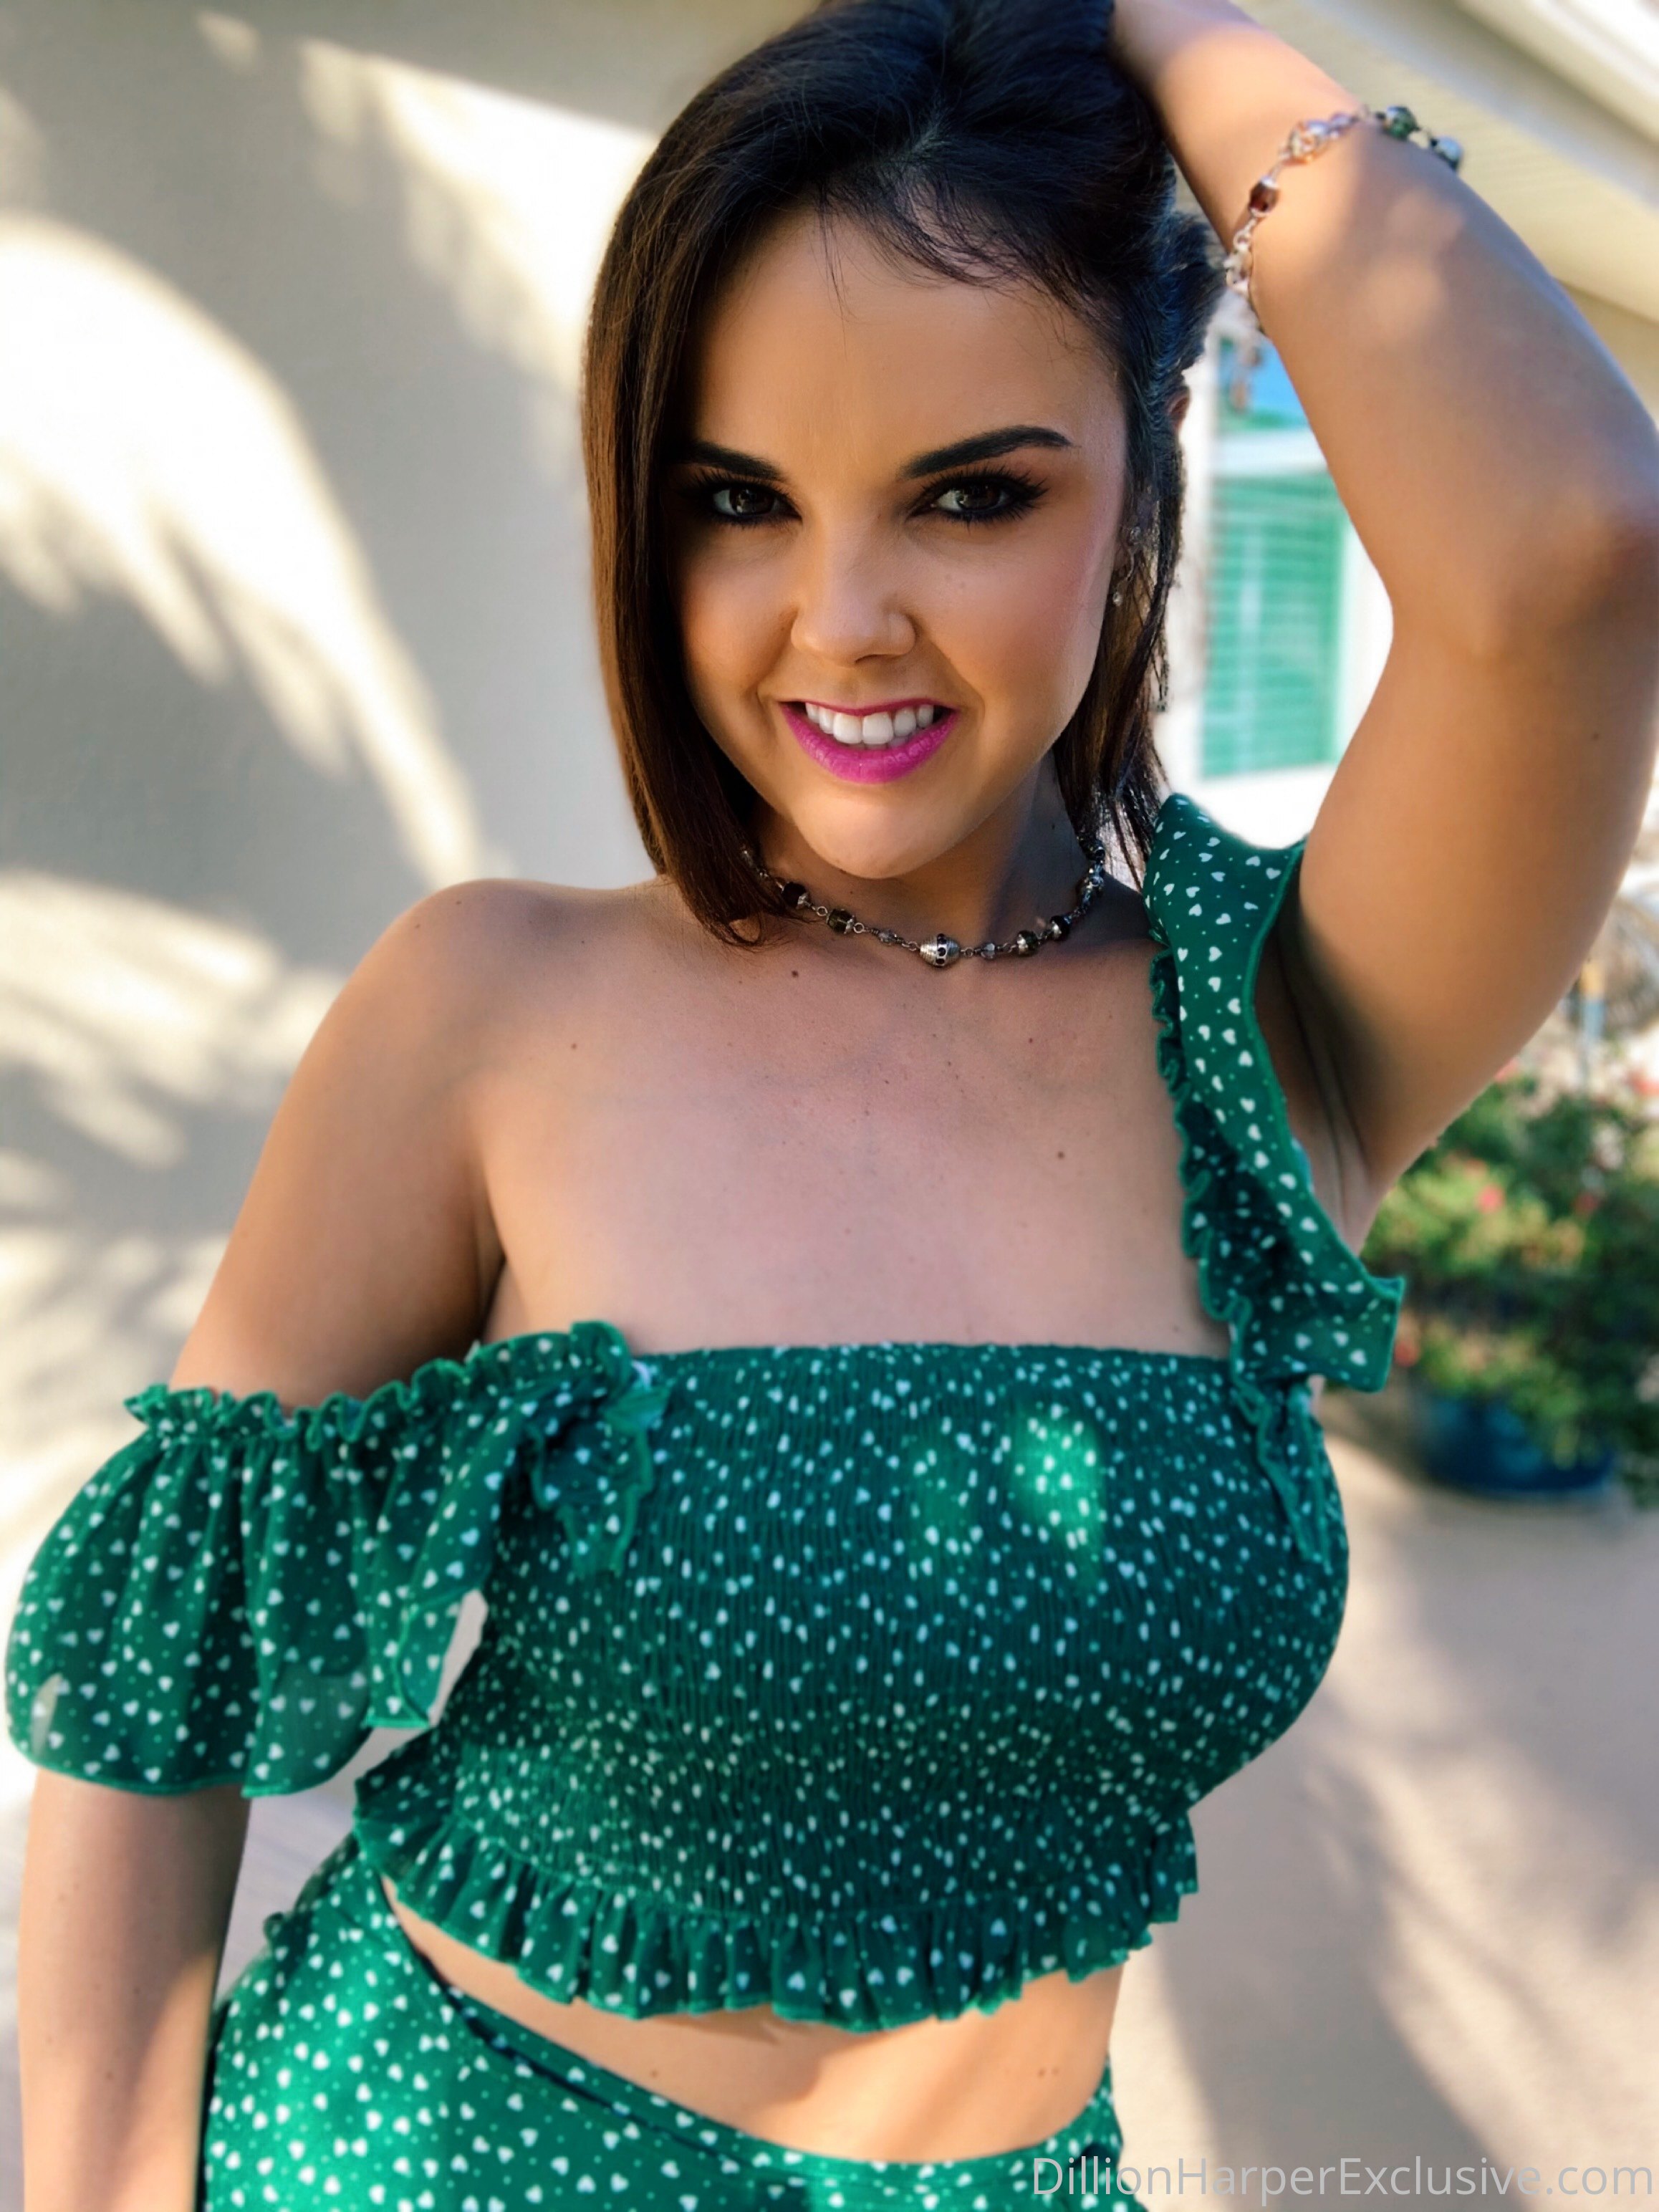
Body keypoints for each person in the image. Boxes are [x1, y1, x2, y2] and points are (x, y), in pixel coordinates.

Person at [7, 0, 1658, 2205]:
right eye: (735, 503)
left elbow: (1567, 552)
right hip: (420, 2150)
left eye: (970, 493)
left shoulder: (1274, 1038)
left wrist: (1152, 18)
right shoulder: (488, 1010)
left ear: (1144, 461)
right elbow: (160, 1710)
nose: (840, 619)